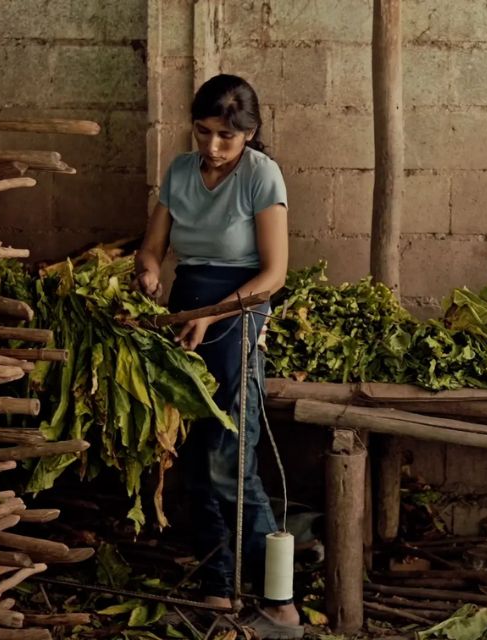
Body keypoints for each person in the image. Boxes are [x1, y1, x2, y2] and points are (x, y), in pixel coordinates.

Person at [134, 74, 302, 639]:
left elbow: (274, 275)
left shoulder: (261, 175)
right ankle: (218, 589)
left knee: (229, 456)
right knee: (194, 452)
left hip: (239, 315)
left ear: (249, 132)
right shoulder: (181, 171)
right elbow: (153, 247)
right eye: (203, 132)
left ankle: (280, 605)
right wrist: (148, 273)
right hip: (185, 312)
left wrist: (213, 315)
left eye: (226, 136)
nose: (212, 146)